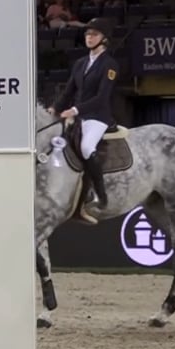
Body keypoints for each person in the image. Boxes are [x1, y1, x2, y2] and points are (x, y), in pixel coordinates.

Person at [50, 16, 119, 225]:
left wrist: (74, 109)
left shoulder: (110, 65)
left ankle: (100, 194)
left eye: (94, 34)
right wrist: (55, 107)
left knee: (87, 146)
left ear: (104, 39)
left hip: (97, 116)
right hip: (78, 115)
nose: (89, 37)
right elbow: (70, 89)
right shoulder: (80, 63)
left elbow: (101, 98)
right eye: (88, 33)